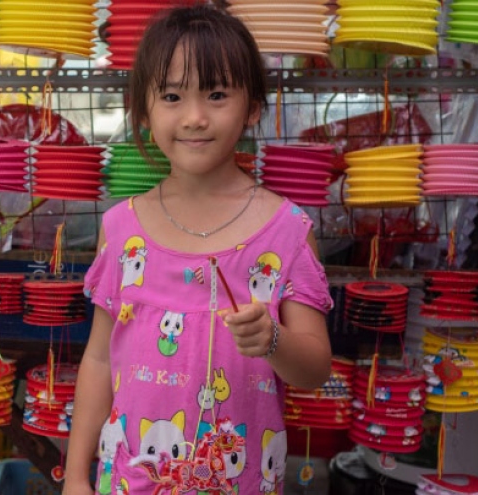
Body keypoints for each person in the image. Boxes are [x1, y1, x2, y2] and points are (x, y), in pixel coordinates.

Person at [63, 5, 333, 494]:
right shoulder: (122, 230)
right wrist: (76, 478)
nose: (194, 117)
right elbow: (100, 360)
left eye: (216, 94)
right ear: (144, 111)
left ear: (252, 106)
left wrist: (273, 339)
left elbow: (315, 369)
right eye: (171, 95)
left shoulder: (287, 231)